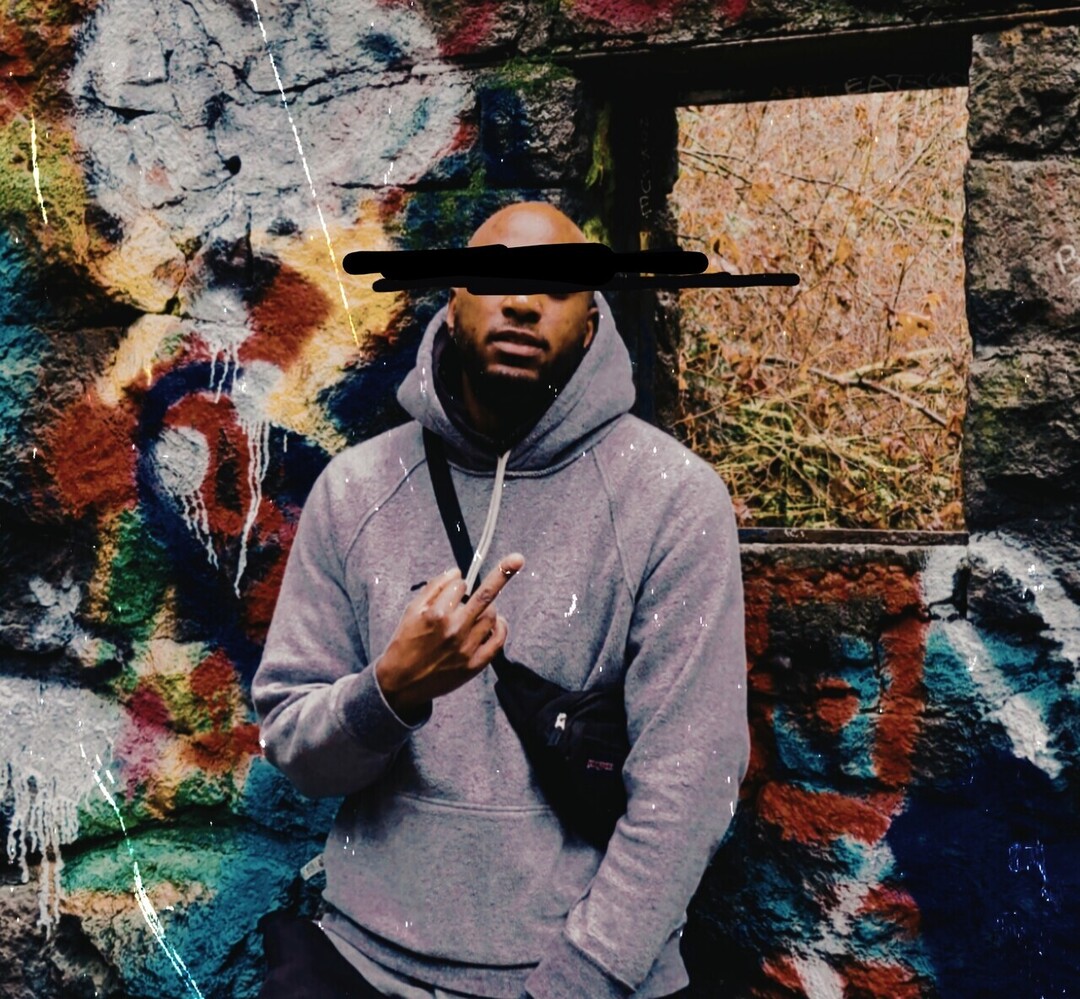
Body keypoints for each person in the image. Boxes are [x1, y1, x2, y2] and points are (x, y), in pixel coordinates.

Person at [251, 202, 749, 999]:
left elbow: (690, 786)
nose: (521, 301)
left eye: (556, 286)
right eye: (495, 279)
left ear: (592, 320)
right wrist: (390, 693)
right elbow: (296, 750)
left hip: (583, 980)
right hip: (367, 965)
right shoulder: (357, 490)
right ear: (454, 300)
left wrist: (574, 984)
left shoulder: (672, 500)